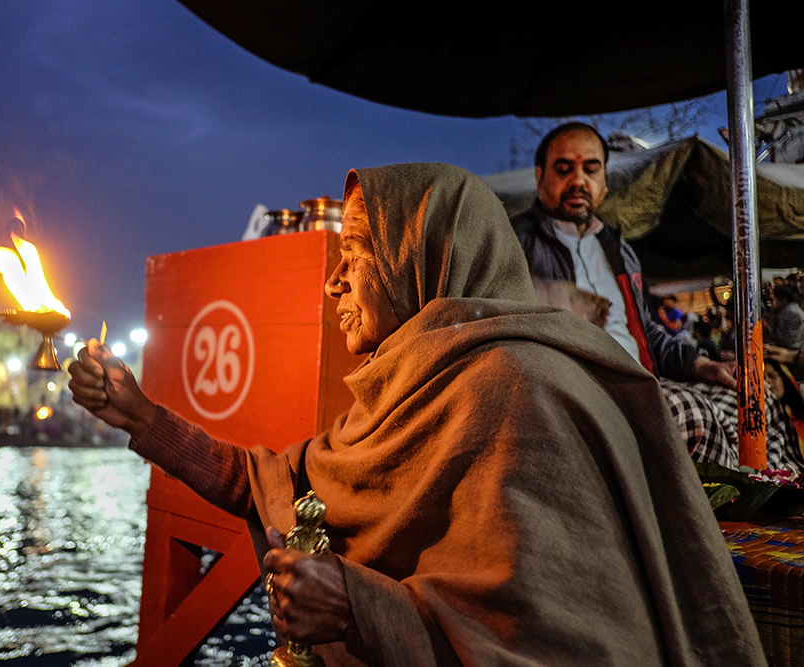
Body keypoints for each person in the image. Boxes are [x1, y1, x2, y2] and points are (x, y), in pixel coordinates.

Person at [69, 163, 762, 664]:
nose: (335, 277)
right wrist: (139, 414)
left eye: (356, 253)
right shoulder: (400, 390)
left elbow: (566, 643)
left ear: (426, 260)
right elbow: (271, 481)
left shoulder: (516, 391)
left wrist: (355, 604)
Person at [509, 122, 736, 389]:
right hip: (576, 396)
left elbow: (644, 332)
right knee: (702, 417)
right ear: (540, 176)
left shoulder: (619, 250)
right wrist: (549, 295)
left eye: (591, 170)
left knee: (751, 397)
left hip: (645, 385)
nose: (579, 181)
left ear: (604, 181)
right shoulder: (514, 242)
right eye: (563, 169)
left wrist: (702, 365)